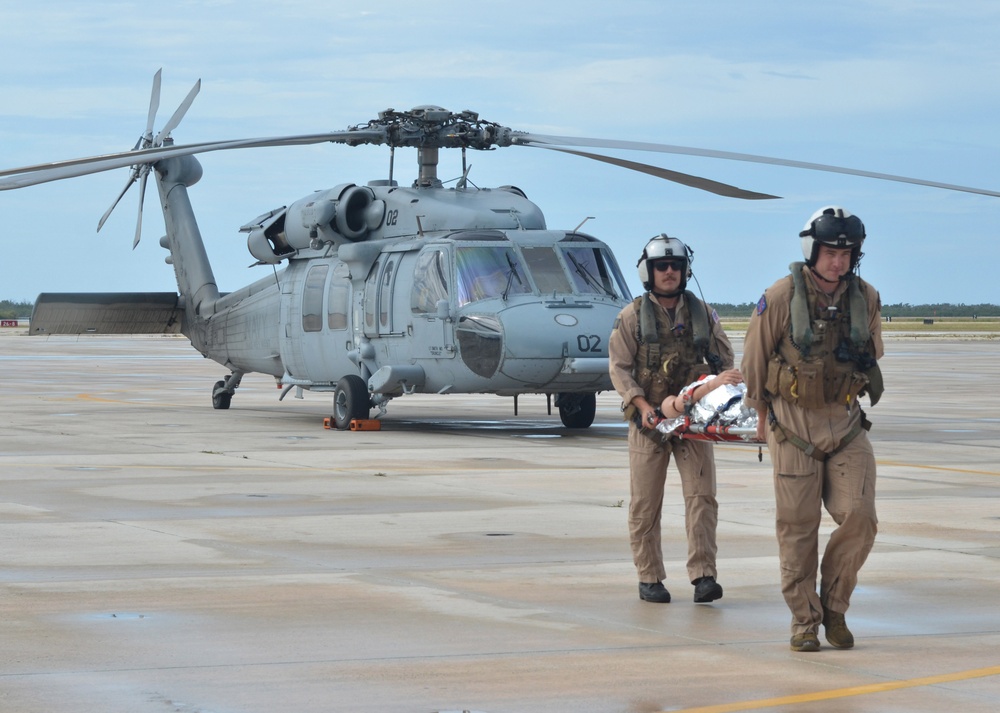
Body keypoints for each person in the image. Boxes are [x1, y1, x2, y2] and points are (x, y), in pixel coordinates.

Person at [741, 206, 884, 652]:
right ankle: (804, 622)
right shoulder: (781, 296)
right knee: (797, 528)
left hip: (844, 424)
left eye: (845, 252)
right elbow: (755, 359)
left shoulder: (867, 297)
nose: (837, 261)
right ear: (812, 250)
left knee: (860, 517)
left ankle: (835, 605)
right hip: (793, 426)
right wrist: (762, 418)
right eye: (829, 251)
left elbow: (873, 352)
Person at [609, 234, 735, 604]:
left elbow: (724, 362)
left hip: (693, 424)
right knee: (645, 502)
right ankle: (649, 577)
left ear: (685, 271)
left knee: (702, 499)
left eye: (675, 266)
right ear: (648, 271)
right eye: (661, 266)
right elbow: (618, 368)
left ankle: (703, 575)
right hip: (649, 423)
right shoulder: (631, 316)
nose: (668, 272)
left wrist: (714, 400)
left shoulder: (703, 314)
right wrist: (643, 405)